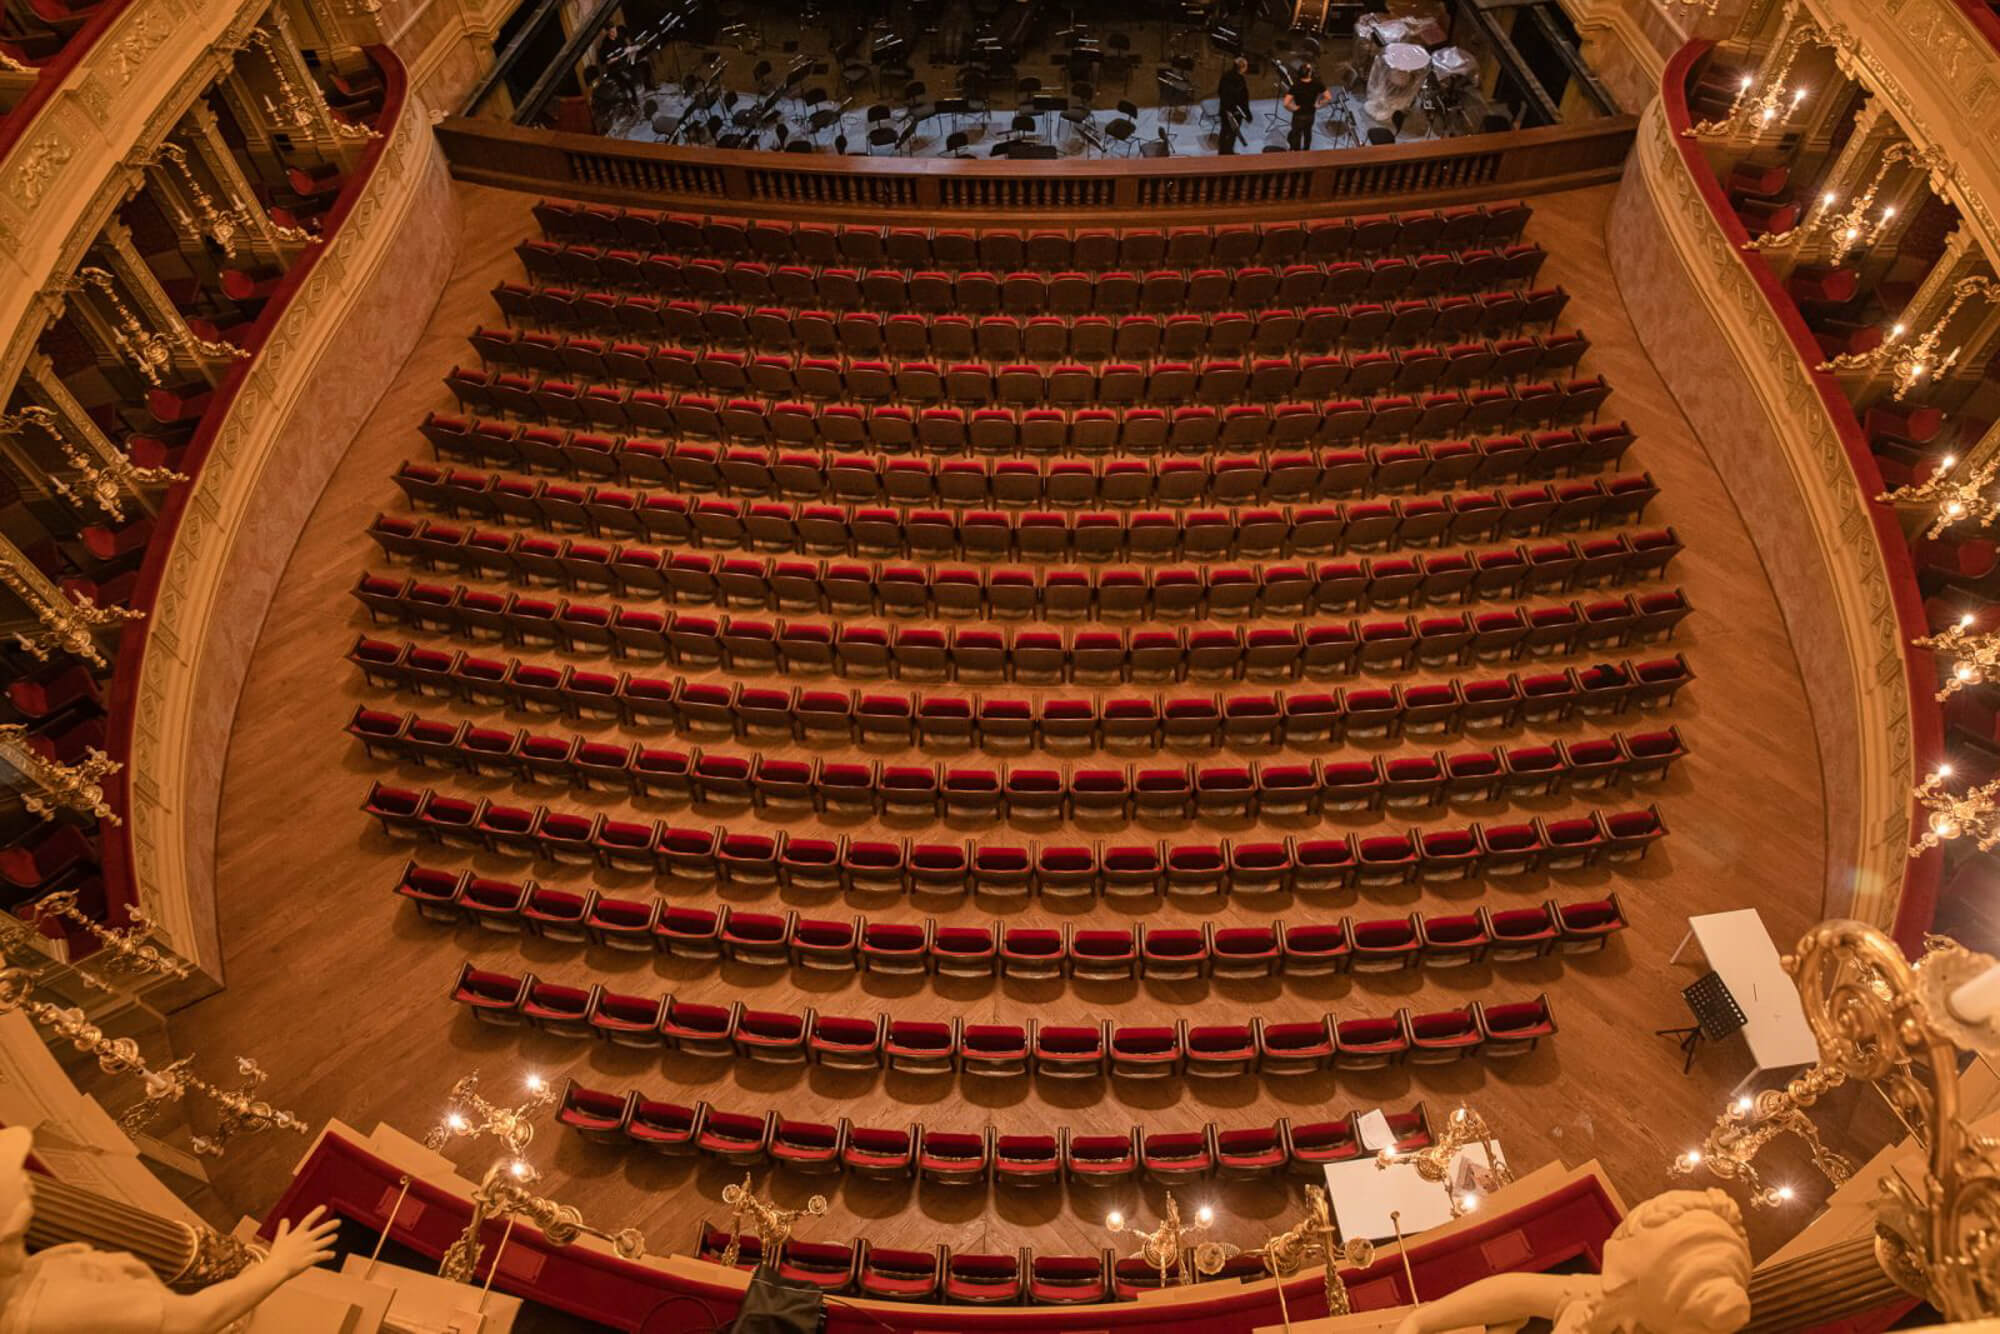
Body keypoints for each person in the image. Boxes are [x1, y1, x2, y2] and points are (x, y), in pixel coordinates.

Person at [0, 1125, 342, 1333]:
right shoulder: (53, 1307)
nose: (31, 1185)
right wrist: (279, 1265)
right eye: (19, 1179)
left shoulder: (32, 1277)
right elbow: (195, 1319)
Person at [1284, 61, 1330, 151]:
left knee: (1296, 134)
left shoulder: (1296, 85)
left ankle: (1296, 152)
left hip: (1298, 115)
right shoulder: (1317, 83)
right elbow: (1328, 97)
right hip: (1310, 114)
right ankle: (1306, 151)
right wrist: (1319, 104)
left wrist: (1293, 108)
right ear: (1309, 73)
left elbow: (1286, 103)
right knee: (1308, 133)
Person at [1217, 56, 1250, 155]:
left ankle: (1221, 151)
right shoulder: (1240, 80)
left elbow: (1219, 91)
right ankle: (1228, 153)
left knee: (1224, 131)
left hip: (1224, 109)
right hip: (1235, 112)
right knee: (1232, 134)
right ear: (1242, 67)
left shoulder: (1225, 75)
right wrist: (1247, 114)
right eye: (1246, 66)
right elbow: (1242, 99)